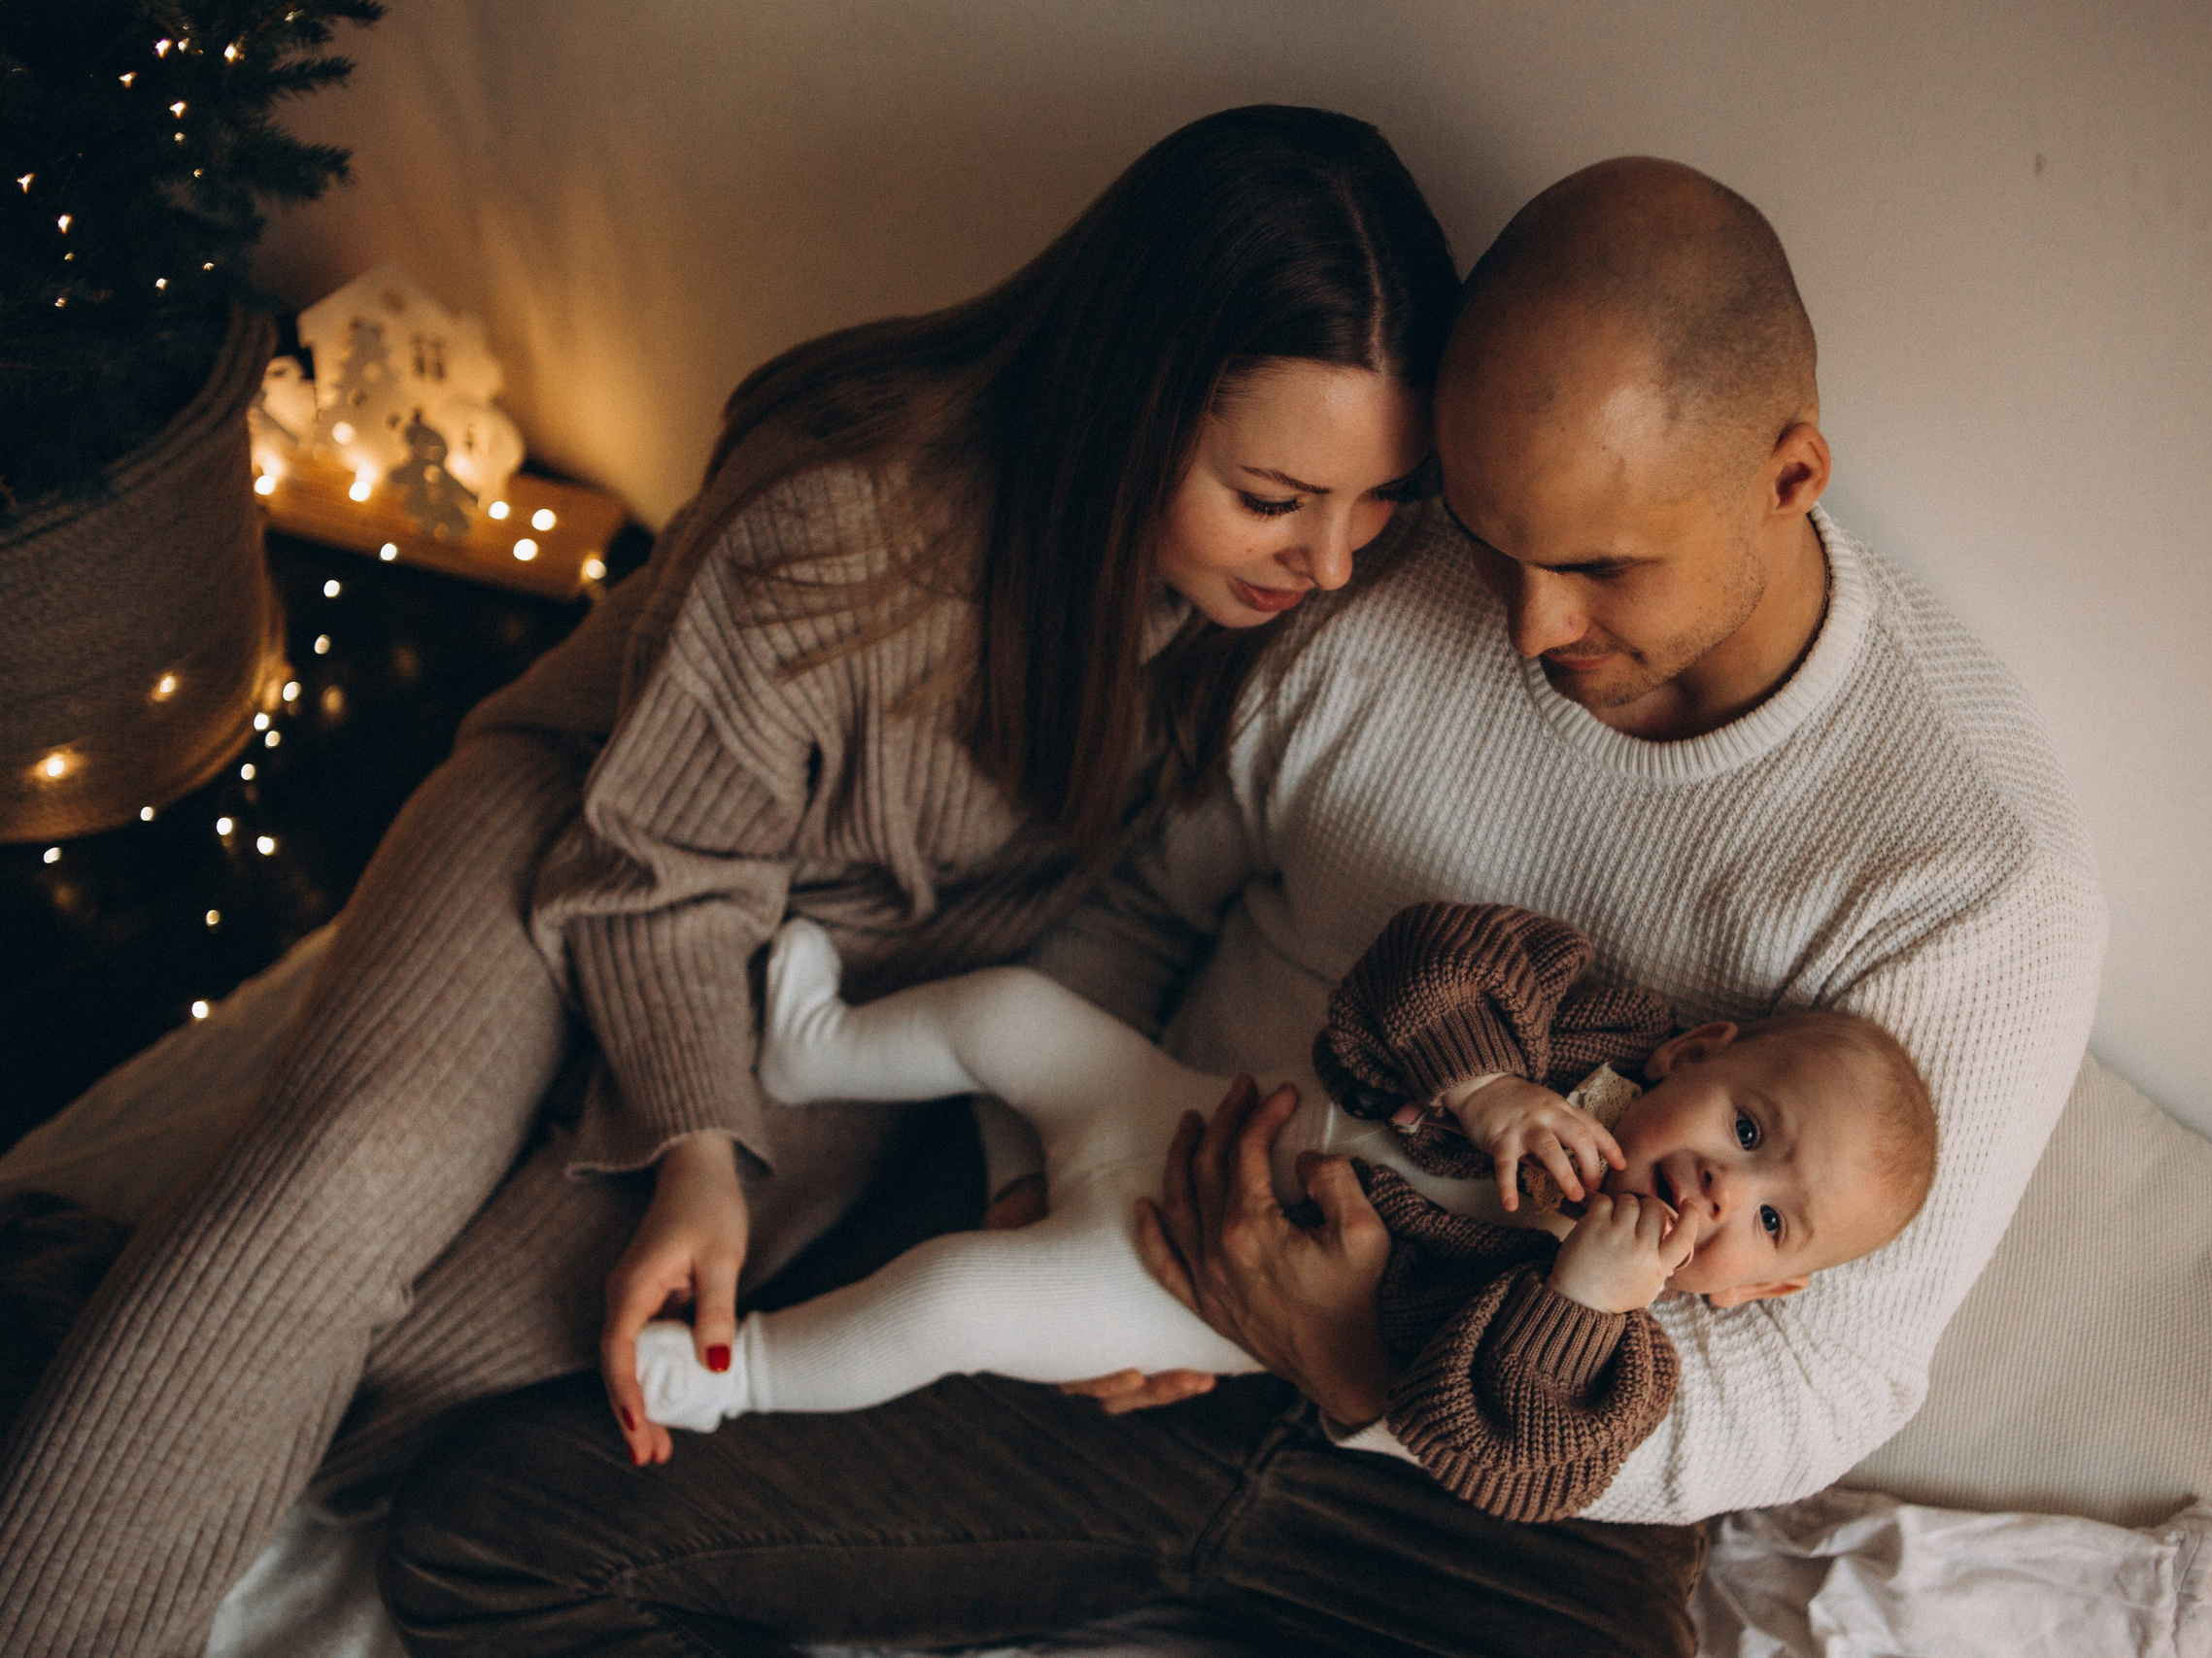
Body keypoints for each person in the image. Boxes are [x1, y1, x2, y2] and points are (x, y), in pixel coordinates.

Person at [380, 157, 2102, 1655]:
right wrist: (1022, 1187)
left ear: (1791, 475)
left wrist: (1363, 1369)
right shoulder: (1379, 580)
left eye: (1597, 568)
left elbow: (1817, 1385)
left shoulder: (1972, 882)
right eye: (1493, 540)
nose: (1520, 629)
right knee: (493, 1533)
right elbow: (1119, 914)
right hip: (1140, 1244)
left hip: (1492, 1479)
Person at [0, 104, 1457, 1658]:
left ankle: (64, 1290)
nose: (1333, 564)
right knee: (341, 1182)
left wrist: (1031, 1175)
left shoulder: (1278, 633)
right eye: (1275, 497)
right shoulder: (854, 516)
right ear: (1129, 403)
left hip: (845, 999)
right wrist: (696, 1142)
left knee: (457, 1369)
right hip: (608, 829)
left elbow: (1103, 941)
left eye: (1378, 502)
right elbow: (663, 863)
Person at [635, 900, 1937, 1533]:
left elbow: (1489, 1460)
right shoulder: (1580, 1030)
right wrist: (1489, 1087)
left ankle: (728, 1374)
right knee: (1003, 1013)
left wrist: (1575, 1298)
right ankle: (824, 1046)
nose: (1724, 1191)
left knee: (950, 1299)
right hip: (1167, 1108)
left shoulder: (1613, 1365)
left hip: (1159, 1283)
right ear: (1700, 1049)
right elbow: (1423, 957)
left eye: (1771, 1224)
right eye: (1749, 1131)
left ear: (1755, 1296)